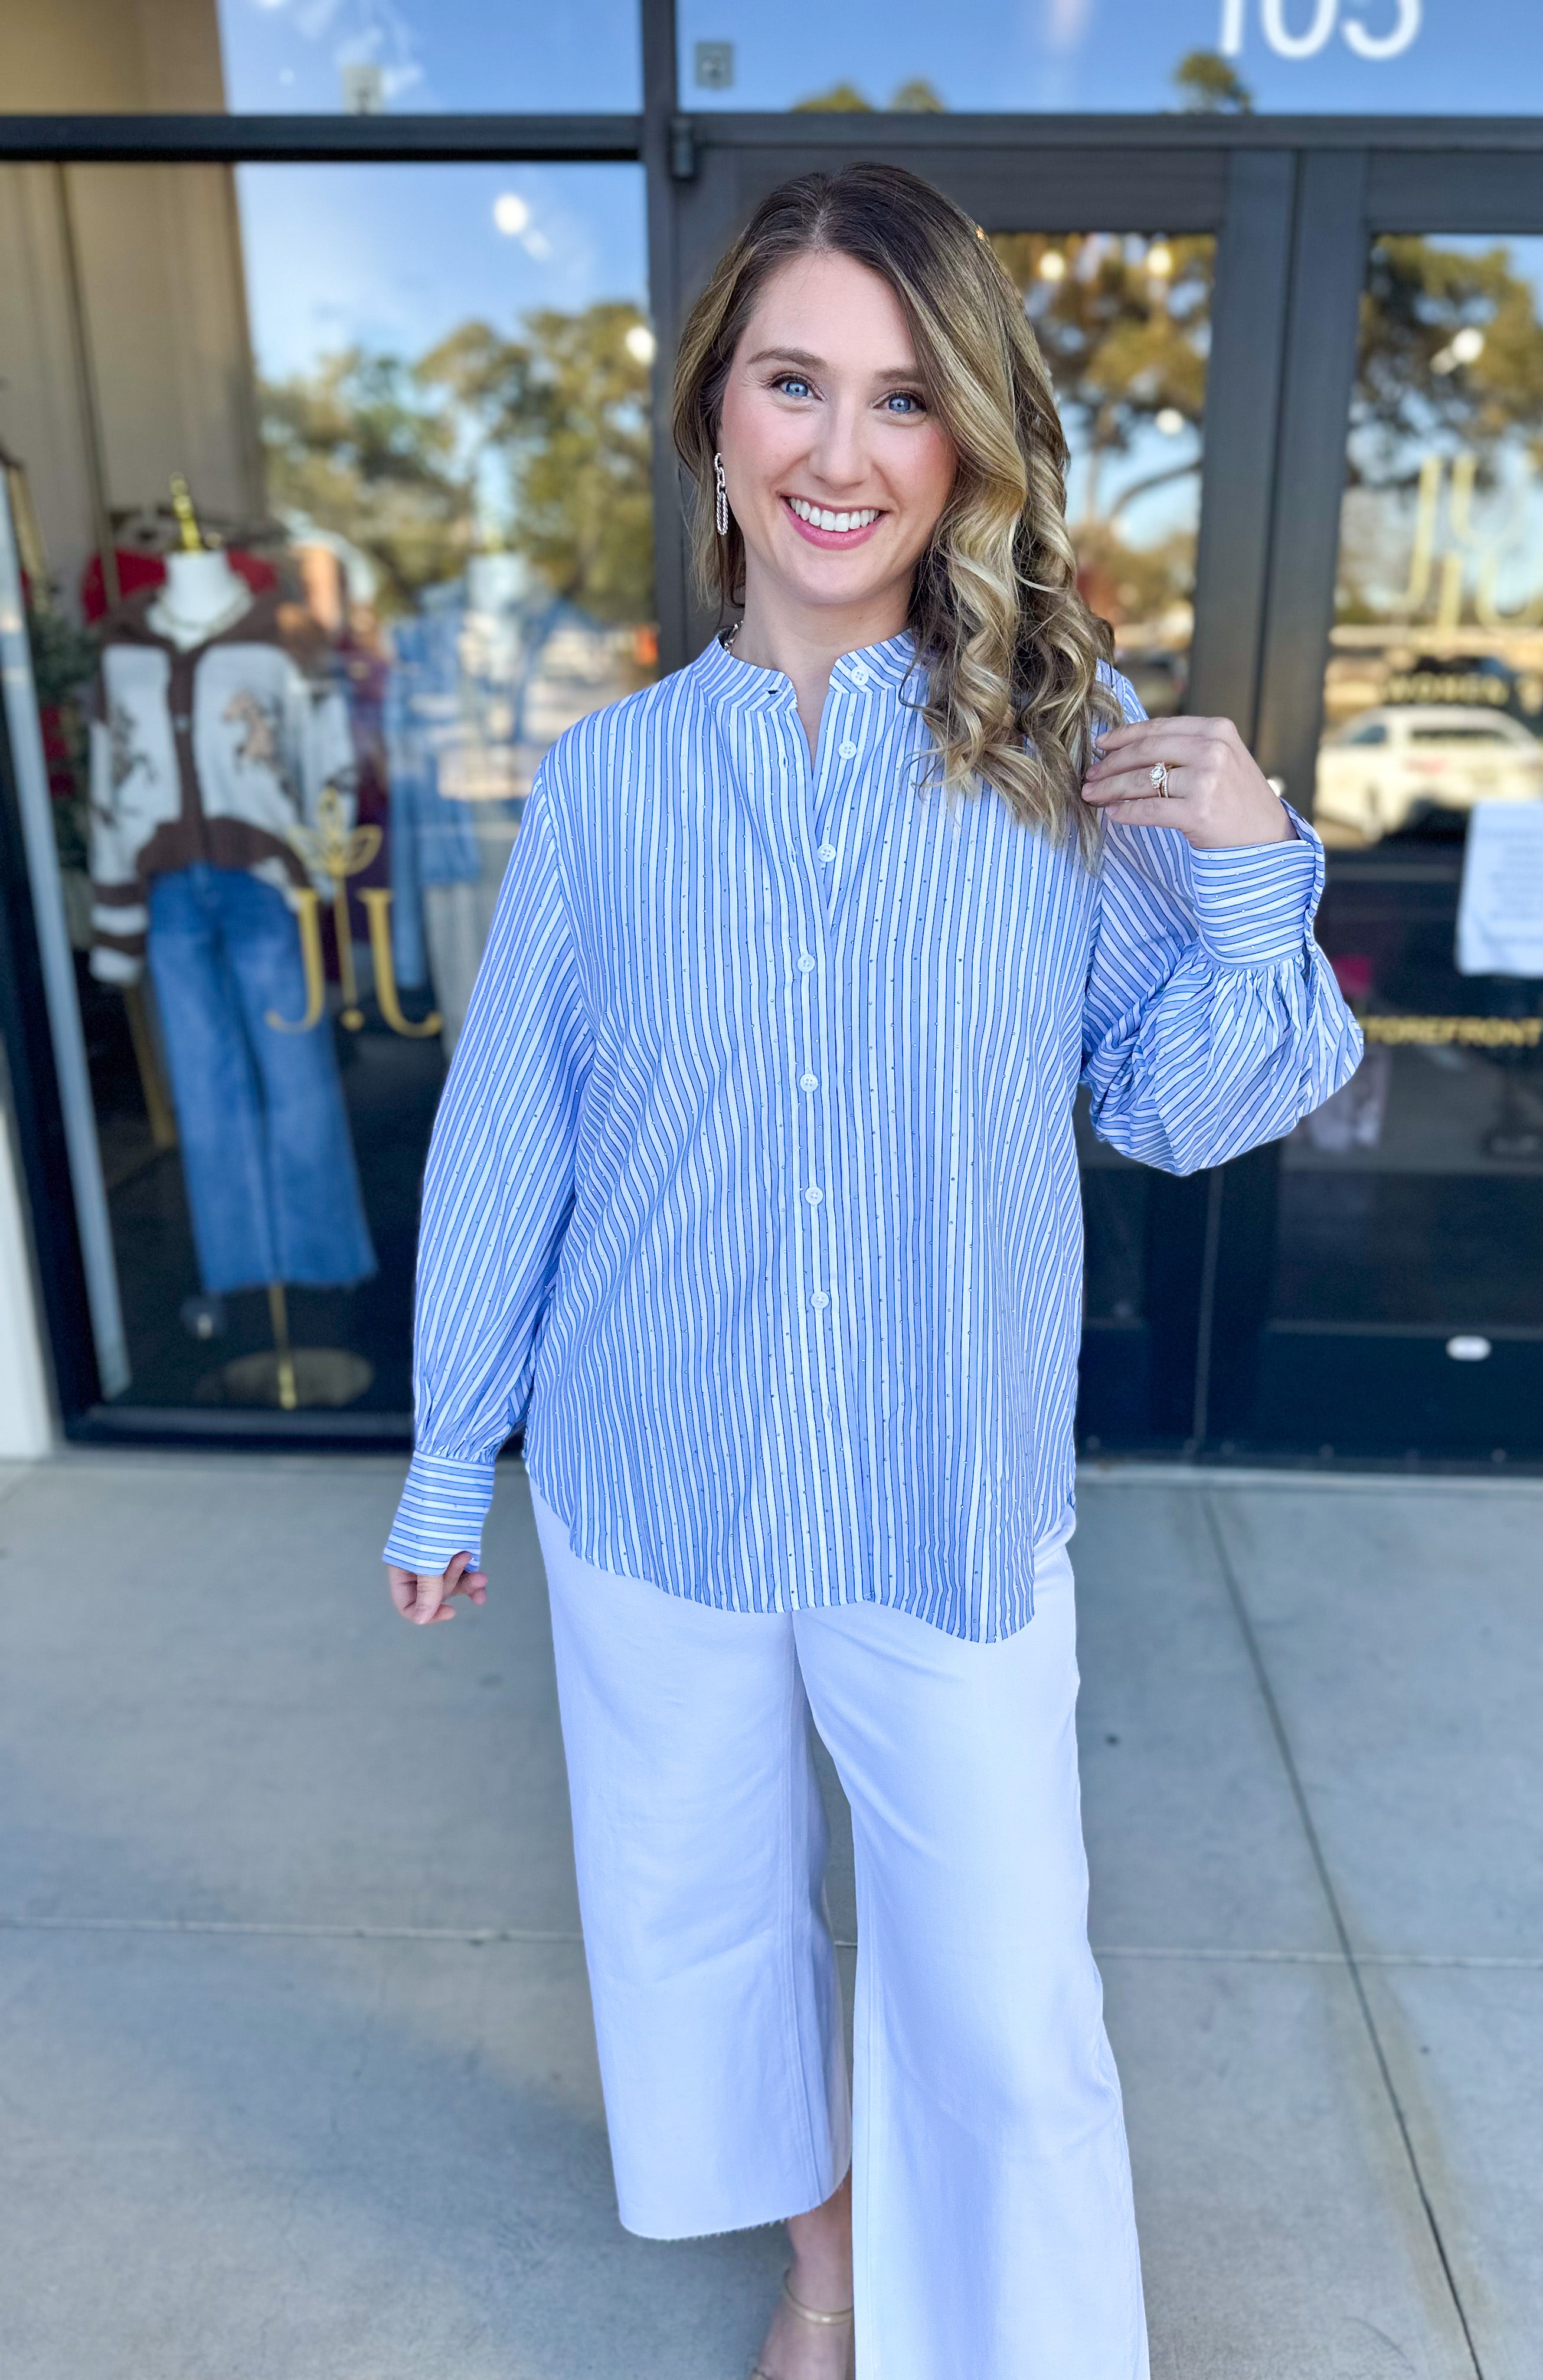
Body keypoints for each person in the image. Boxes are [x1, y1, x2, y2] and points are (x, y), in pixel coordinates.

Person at [382, 163, 1361, 2380]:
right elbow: (514, 1125)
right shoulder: (611, 785)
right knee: (705, 1932)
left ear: (968, 445)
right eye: (795, 383)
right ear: (716, 419)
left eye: (906, 400)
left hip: (946, 1484)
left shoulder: (1050, 743)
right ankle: (824, 2270)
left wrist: (1243, 867)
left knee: (1003, 2000)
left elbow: (1190, 1103)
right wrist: (455, 1452)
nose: (844, 452)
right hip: (657, 1479)